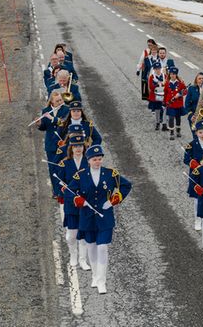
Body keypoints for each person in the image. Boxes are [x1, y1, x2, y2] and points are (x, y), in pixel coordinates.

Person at [71, 145, 132, 294]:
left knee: (102, 247)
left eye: (99, 159)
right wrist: (78, 200)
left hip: (105, 217)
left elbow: (126, 185)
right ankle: (94, 275)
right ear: (89, 160)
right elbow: (69, 191)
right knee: (91, 246)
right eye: (94, 159)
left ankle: (101, 281)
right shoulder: (81, 175)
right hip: (87, 217)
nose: (97, 162)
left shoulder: (111, 174)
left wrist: (113, 200)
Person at [53, 131, 91, 271]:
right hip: (71, 203)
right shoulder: (65, 163)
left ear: (84, 146)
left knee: (84, 233)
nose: (78, 148)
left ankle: (83, 260)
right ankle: (73, 256)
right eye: (75, 145)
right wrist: (64, 191)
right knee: (71, 235)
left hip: (85, 203)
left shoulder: (89, 162)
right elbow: (59, 183)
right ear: (71, 147)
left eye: (80, 145)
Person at [38, 89, 70, 180]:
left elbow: (64, 123)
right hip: (51, 144)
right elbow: (44, 127)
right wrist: (40, 124)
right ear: (52, 101)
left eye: (61, 100)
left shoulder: (67, 110)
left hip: (63, 143)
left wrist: (52, 118)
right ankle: (56, 192)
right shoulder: (46, 110)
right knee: (53, 169)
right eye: (57, 101)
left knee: (65, 168)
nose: (60, 102)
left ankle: (65, 191)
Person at [163, 66, 187, 140]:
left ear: (176, 75)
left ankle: (178, 131)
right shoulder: (167, 83)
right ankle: (172, 133)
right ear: (169, 74)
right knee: (171, 118)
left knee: (178, 118)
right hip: (170, 104)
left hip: (178, 104)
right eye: (171, 74)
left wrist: (179, 94)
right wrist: (164, 102)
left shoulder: (180, 83)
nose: (172, 75)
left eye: (174, 74)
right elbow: (165, 93)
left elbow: (185, 91)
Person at [147, 60, 167, 131]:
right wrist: (158, 84)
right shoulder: (152, 77)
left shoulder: (164, 76)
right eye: (156, 69)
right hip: (156, 96)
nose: (158, 70)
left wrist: (161, 84)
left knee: (164, 109)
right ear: (154, 69)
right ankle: (157, 123)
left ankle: (164, 124)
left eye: (159, 68)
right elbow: (151, 87)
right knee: (157, 110)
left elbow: (167, 84)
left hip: (164, 95)